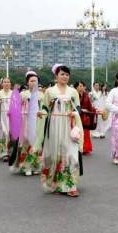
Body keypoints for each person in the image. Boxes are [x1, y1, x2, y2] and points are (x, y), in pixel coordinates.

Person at [39, 64, 83, 197]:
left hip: (69, 126)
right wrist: (41, 112)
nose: (64, 77)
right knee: (55, 152)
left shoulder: (73, 92)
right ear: (56, 76)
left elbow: (78, 108)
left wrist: (74, 114)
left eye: (67, 75)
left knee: (71, 153)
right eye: (62, 74)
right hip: (54, 125)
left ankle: (70, 185)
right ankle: (55, 182)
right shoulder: (49, 91)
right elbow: (45, 107)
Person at [11, 71, 45, 176]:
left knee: (36, 142)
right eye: (31, 81)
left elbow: (44, 108)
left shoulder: (41, 95)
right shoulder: (23, 94)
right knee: (25, 141)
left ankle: (36, 166)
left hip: (37, 120)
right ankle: (26, 166)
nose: (34, 82)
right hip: (25, 120)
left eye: (35, 80)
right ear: (27, 83)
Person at [0, 78, 13, 161]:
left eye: (8, 82)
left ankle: (11, 152)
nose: (6, 83)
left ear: (10, 83)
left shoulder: (14, 93)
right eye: (5, 82)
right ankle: (4, 153)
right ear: (2, 84)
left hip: (12, 117)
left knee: (11, 134)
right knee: (3, 133)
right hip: (1, 116)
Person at [75, 81, 96, 155]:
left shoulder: (86, 95)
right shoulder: (74, 95)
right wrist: (81, 109)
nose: (81, 88)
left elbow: (90, 106)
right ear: (76, 87)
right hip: (76, 116)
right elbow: (72, 106)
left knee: (86, 133)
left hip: (85, 117)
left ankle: (85, 149)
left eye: (82, 86)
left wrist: (94, 110)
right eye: (80, 86)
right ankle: (77, 148)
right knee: (76, 132)